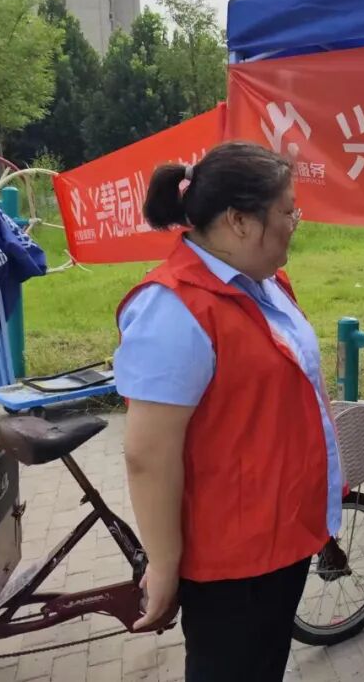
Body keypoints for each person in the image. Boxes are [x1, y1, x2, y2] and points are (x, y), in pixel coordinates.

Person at [116, 142, 341, 682]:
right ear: (239, 221)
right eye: (287, 212)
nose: (295, 224)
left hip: (285, 531)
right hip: (233, 559)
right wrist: (163, 565)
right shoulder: (174, 308)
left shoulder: (266, 283)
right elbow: (148, 455)